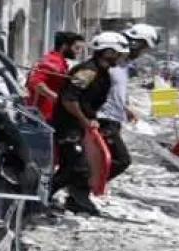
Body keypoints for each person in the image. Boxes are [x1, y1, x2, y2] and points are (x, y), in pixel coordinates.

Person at [49, 31, 128, 217]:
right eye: (118, 52)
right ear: (108, 52)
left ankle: (74, 198)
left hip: (80, 124)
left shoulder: (102, 73)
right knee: (76, 167)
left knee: (75, 167)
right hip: (68, 125)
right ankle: (43, 197)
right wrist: (85, 121)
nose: (120, 57)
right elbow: (69, 100)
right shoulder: (88, 71)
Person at [102, 23, 157, 182]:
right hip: (103, 118)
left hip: (114, 118)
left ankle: (82, 192)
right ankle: (80, 189)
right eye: (142, 48)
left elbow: (114, 91)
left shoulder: (123, 65)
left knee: (109, 159)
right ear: (135, 43)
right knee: (121, 160)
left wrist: (125, 108)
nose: (141, 53)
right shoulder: (110, 64)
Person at [24, 31, 84, 122]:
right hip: (41, 117)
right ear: (65, 46)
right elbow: (36, 83)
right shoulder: (53, 61)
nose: (78, 52)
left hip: (46, 115)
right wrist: (59, 100)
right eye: (76, 48)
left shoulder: (56, 60)